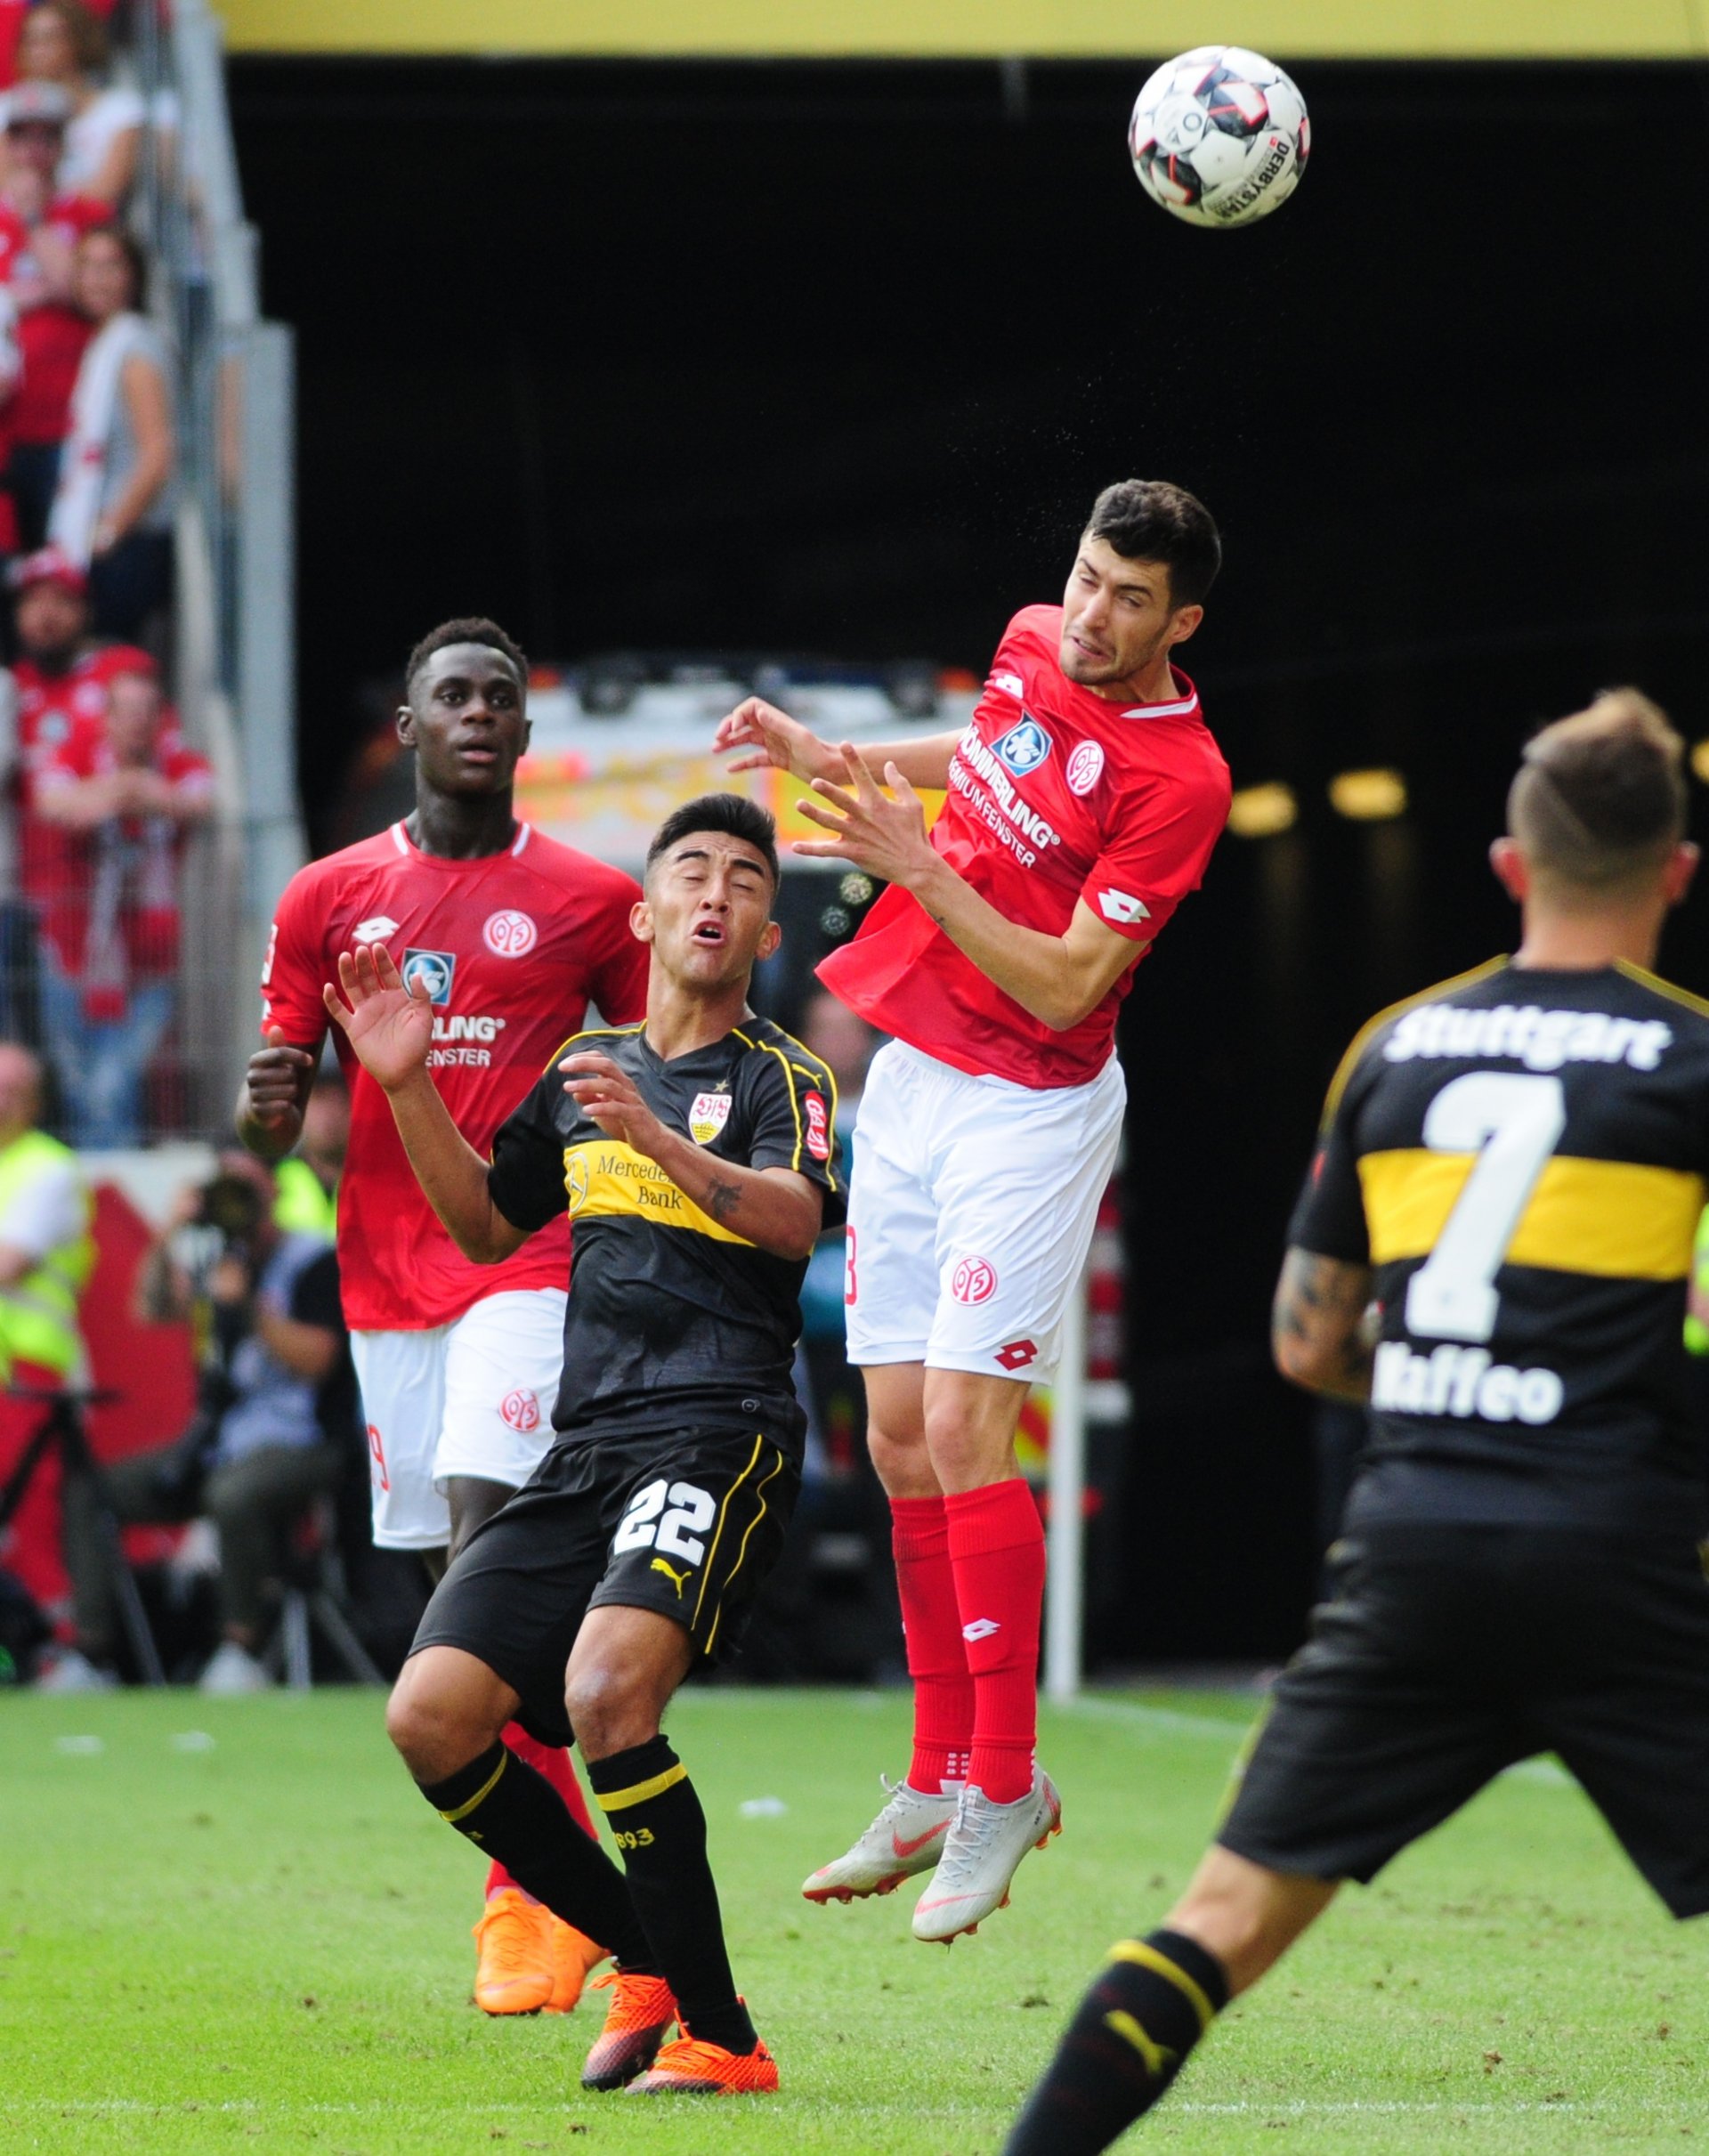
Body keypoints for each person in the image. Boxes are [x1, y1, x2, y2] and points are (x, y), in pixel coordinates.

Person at [1005, 689, 1709, 2153]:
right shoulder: (1695, 1061)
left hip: (1413, 1553)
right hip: (1624, 1561)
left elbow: (1306, 1340)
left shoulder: (1397, 1048)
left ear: (1512, 871)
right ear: (1680, 872)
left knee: (1218, 1924)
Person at [715, 478, 1230, 1941]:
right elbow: (993, 750)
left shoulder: (1181, 783)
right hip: (918, 1086)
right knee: (887, 1435)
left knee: (960, 1431)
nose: (1090, 612)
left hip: (1032, 1106)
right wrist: (830, 757)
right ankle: (939, 1770)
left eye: (1129, 599)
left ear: (1180, 622)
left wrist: (917, 863)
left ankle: (1007, 1783)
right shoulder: (1026, 642)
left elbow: (1071, 982)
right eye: (1083, 576)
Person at [329, 792, 843, 2096]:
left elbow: (791, 1223)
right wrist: (404, 1087)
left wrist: (658, 1140)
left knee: (608, 1695)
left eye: (741, 879)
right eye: (692, 873)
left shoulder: (784, 1077)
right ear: (648, 911)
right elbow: (487, 1231)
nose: (716, 894)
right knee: (431, 1716)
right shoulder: (580, 1071)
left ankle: (725, 2038)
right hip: (588, 1444)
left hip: (719, 1430)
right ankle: (647, 1950)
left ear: (764, 929)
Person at [237, 616, 649, 2019]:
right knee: (442, 1593)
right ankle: (554, 1870)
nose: (478, 712)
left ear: (525, 736)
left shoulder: (592, 900)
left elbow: (665, 1050)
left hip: (529, 1260)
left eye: (500, 698)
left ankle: (525, 1898)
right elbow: (278, 1090)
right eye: (452, 696)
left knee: (489, 1531)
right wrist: (266, 1108)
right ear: (410, 729)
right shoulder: (328, 895)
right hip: (384, 1276)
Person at [48, 1152, 351, 1694]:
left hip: (301, 1440)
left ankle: (241, 1648)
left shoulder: (312, 1260)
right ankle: (91, 1653)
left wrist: (252, 1308)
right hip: (221, 1441)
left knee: (230, 1494)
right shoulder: (217, 1258)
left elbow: (321, 1361)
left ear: (273, 1194)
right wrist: (173, 1229)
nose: (236, 1200)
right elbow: (150, 1307)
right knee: (92, 1491)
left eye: (246, 1187)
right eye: (224, 1187)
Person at [31, 658, 212, 1147]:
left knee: (114, 1079)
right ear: (106, 719)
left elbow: (198, 801)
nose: (136, 723)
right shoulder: (74, 753)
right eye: (126, 712)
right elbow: (51, 803)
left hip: (149, 956)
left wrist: (107, 798)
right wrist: (134, 790)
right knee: (77, 1079)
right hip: (72, 947)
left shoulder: (182, 763)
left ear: (160, 720)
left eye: (147, 712)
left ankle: (104, 1172)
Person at [0, 1037, 91, 1619]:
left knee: (29, 1508)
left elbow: (10, 1262)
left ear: (35, 1103)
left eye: (14, 1092)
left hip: (29, 1373)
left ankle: (56, 1645)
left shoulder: (50, 1167)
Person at [49, 224, 172, 642]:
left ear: (134, 276)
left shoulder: (134, 345)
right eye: (87, 265)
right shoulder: (103, 342)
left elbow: (158, 452)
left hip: (128, 540)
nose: (97, 278)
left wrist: (109, 531)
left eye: (111, 266)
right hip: (104, 537)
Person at [0, 87, 107, 550]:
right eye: (21, 138)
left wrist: (34, 219)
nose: (33, 151)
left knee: (55, 560)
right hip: (5, 422)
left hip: (64, 426)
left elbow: (79, 290)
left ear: (63, 148)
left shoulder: (87, 215)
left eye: (47, 139)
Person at [6, 2, 141, 207]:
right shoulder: (7, 108)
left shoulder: (119, 110)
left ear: (78, 41)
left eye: (49, 39)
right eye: (30, 41)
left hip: (91, 228)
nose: (37, 51)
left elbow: (105, 193)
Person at [272, 1074, 346, 1240]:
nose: (330, 1113)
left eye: (342, 1100)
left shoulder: (383, 1182)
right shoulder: (272, 1179)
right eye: (319, 1098)